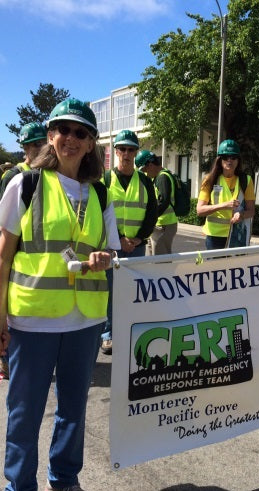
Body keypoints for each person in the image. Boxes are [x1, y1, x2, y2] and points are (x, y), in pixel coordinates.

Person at [0, 98, 120, 491]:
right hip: (33, 319)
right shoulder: (25, 183)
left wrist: (105, 258)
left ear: (92, 142)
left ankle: (63, 480)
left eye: (81, 132)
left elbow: (113, 252)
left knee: (73, 410)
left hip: (85, 321)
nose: (71, 138)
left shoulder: (99, 194)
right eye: (63, 130)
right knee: (25, 413)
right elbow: (2, 255)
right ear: (51, 136)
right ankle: (20, 487)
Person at [100, 130, 157, 355]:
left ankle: (129, 331)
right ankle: (108, 334)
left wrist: (139, 238)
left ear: (136, 152)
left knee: (132, 292)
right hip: (112, 247)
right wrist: (118, 240)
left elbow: (151, 213)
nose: (126, 153)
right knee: (110, 292)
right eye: (122, 149)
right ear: (116, 151)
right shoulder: (104, 180)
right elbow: (99, 214)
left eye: (131, 149)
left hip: (136, 247)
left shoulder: (144, 181)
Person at [196, 139, 255, 249]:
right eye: (225, 157)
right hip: (214, 236)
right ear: (219, 159)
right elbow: (199, 210)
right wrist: (224, 205)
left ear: (238, 160)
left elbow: (251, 211)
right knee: (216, 267)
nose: (229, 160)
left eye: (233, 157)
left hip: (237, 235)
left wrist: (241, 215)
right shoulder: (209, 180)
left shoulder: (246, 180)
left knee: (235, 266)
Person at [136, 150, 178, 255]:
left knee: (161, 261)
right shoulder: (160, 176)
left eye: (144, 170)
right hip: (161, 224)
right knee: (154, 258)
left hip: (164, 225)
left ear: (150, 165)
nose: (145, 174)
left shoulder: (162, 177)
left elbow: (163, 201)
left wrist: (150, 217)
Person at [0, 122, 47, 196]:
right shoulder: (12, 176)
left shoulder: (48, 172)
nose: (43, 148)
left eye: (46, 143)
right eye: (38, 144)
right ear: (25, 147)